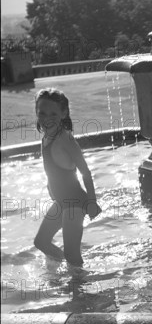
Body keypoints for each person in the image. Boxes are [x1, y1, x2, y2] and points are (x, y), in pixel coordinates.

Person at [34, 88, 102, 269]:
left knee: (73, 255)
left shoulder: (66, 140)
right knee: (41, 242)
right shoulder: (46, 137)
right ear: (36, 112)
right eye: (42, 113)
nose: (47, 118)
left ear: (64, 113)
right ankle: (70, 272)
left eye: (53, 113)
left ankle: (81, 293)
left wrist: (92, 202)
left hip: (74, 203)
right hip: (60, 202)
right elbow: (52, 173)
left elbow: (85, 172)